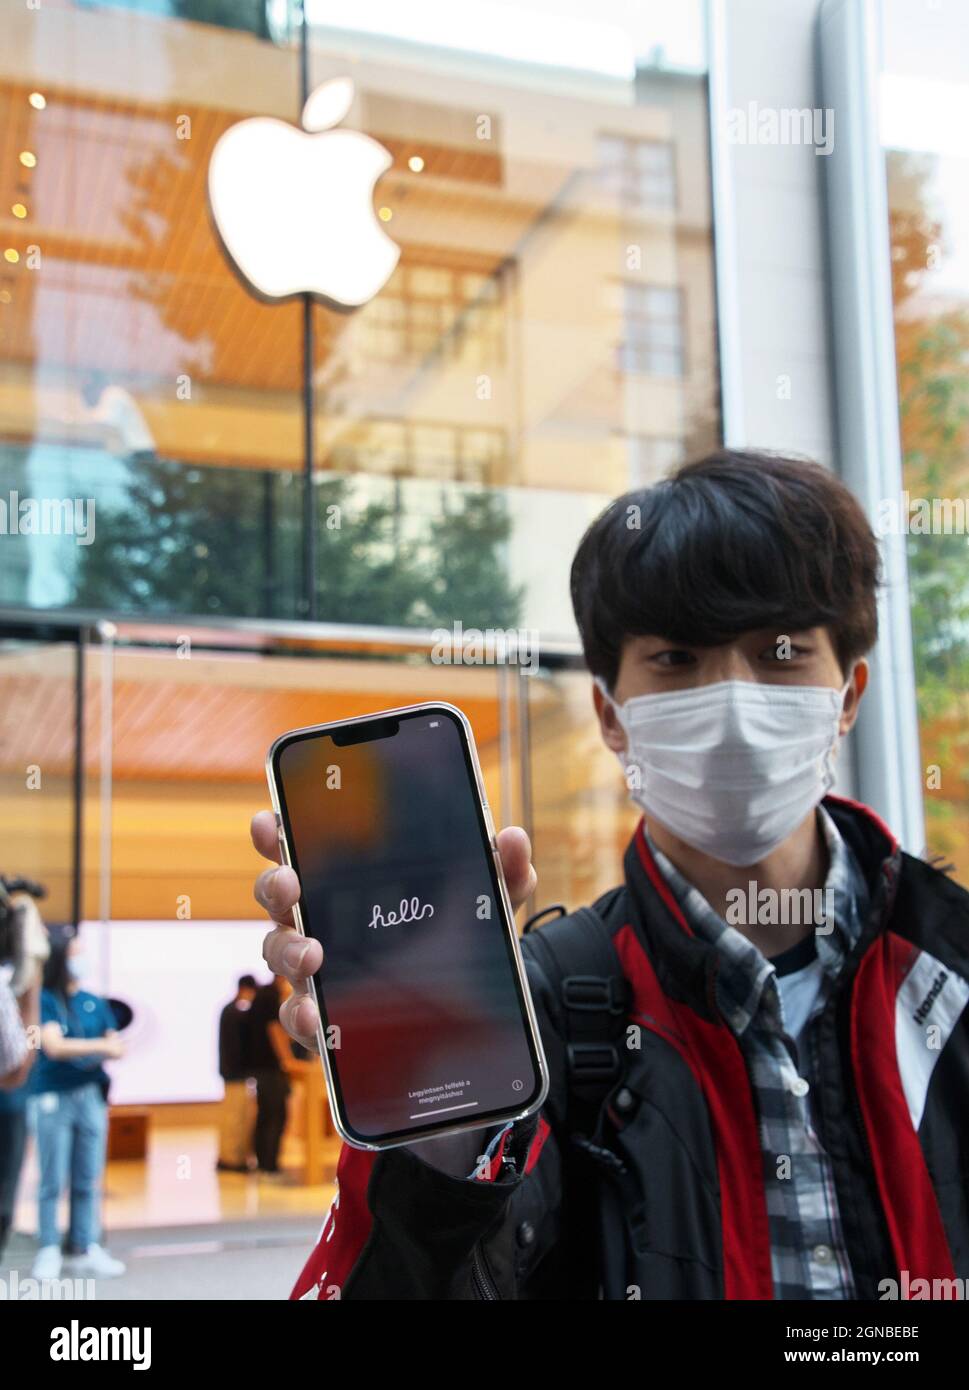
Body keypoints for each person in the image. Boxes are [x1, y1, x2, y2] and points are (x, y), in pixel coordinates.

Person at [251, 449, 969, 1300]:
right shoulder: (541, 1013)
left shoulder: (951, 967)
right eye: (676, 659)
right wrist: (437, 1120)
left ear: (846, 693)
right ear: (609, 714)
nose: (733, 707)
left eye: (779, 652)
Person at [29, 931, 126, 1280]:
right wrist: (96, 1047)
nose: (81, 959)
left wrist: (80, 1047)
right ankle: (48, 1248)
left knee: (88, 1177)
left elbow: (117, 1047)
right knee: (52, 1179)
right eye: (75, 953)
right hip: (53, 1097)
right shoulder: (45, 999)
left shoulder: (93, 1002)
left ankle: (86, 1245)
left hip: (91, 1099)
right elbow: (52, 1047)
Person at [247, 975, 293, 1177]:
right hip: (270, 1066)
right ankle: (269, 1163)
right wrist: (287, 1060)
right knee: (275, 1114)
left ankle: (264, 1160)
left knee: (266, 1113)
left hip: (262, 1065)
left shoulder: (263, 994)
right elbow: (274, 1030)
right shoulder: (271, 995)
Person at [216, 974, 257, 1173]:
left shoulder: (229, 1010)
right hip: (235, 1074)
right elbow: (236, 1047)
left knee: (233, 1117)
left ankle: (230, 1157)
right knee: (235, 1119)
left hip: (231, 1072)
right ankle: (231, 1160)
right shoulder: (235, 1012)